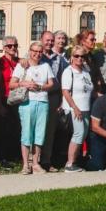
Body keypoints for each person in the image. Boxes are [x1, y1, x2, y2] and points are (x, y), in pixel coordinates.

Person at [10, 41, 55, 175]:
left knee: (39, 134)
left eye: (40, 52)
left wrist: (40, 87)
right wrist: (24, 84)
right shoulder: (22, 65)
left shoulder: (46, 66)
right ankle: (25, 165)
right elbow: (12, 84)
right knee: (26, 133)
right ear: (29, 51)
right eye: (34, 51)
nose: (37, 54)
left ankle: (36, 163)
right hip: (27, 102)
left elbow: (51, 84)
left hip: (42, 101)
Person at [61, 45, 95, 172]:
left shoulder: (86, 70)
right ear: (71, 57)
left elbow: (89, 88)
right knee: (78, 133)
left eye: (82, 56)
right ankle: (69, 164)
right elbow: (65, 91)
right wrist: (74, 107)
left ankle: (75, 161)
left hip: (86, 107)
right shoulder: (68, 71)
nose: (80, 58)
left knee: (83, 134)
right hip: (75, 108)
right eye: (77, 56)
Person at [40, 30, 69, 172]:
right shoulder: (35, 55)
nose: (50, 43)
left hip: (53, 97)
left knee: (50, 131)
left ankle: (46, 160)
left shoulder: (59, 59)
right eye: (47, 40)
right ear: (41, 40)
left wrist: (61, 101)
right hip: (38, 96)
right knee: (37, 129)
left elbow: (64, 80)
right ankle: (34, 161)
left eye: (52, 40)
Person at [0, 36, 21, 166]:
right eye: (10, 46)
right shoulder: (0, 63)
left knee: (16, 128)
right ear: (4, 48)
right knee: (3, 129)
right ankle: (2, 157)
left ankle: (14, 155)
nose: (13, 48)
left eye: (15, 45)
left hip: (18, 99)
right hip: (4, 98)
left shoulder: (20, 62)